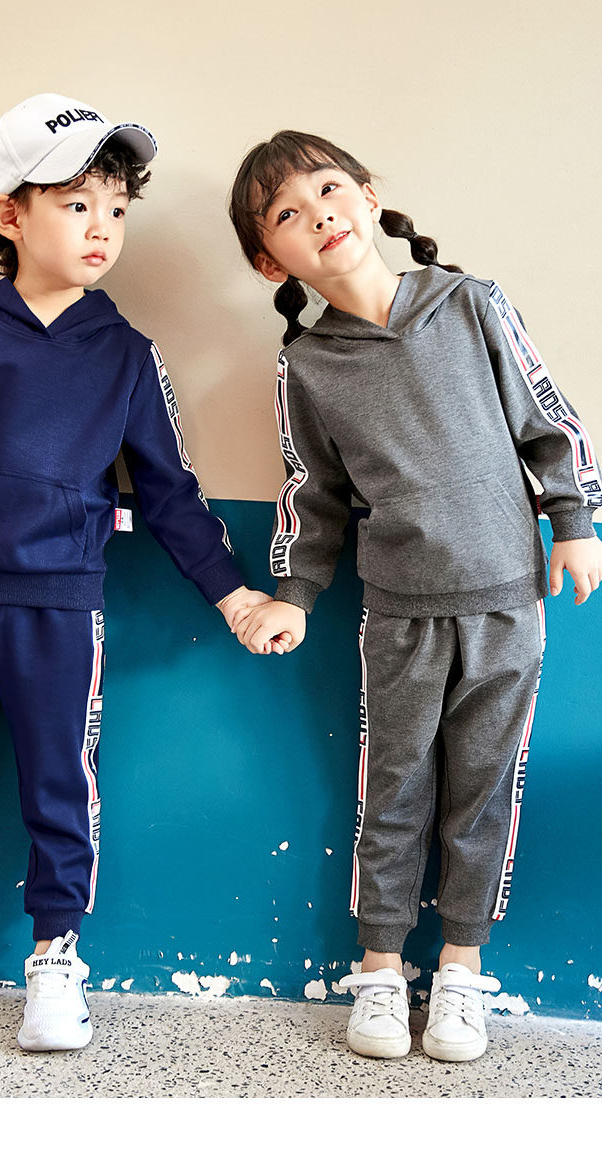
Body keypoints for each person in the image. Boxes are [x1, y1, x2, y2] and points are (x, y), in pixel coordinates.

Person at [0, 93, 271, 1051]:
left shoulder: (127, 356)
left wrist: (233, 590)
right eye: (77, 204)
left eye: (116, 209)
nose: (102, 228)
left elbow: (170, 491)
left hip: (58, 604)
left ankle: (56, 956)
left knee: (59, 784)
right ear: (10, 214)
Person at [228, 130, 602, 1062]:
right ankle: (382, 972)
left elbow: (547, 420)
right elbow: (312, 496)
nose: (319, 214)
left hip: (510, 602)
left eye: (328, 189)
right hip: (398, 614)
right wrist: (294, 593)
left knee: (483, 792)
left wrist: (575, 521)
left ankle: (463, 972)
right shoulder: (307, 367)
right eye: (287, 213)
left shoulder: (472, 303)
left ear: (366, 194)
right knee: (392, 791)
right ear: (271, 260)